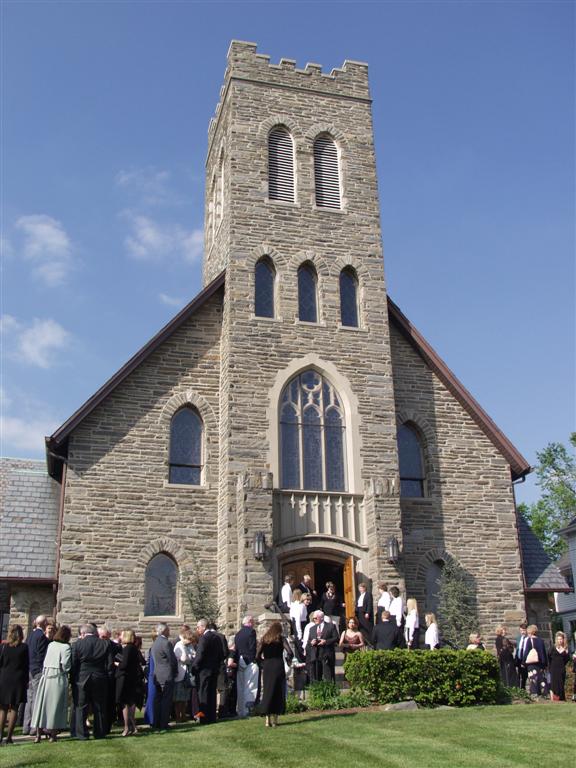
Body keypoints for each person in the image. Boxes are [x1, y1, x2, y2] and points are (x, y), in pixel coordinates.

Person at [30, 625, 72, 742]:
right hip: (57, 677)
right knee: (55, 706)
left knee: (41, 706)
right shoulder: (66, 647)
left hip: (46, 677)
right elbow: (65, 665)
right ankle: (53, 735)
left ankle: (38, 735)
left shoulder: (51, 645)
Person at [72, 622, 112, 739]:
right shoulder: (105, 644)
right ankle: (99, 732)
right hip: (99, 677)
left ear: (83, 633)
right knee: (99, 705)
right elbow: (109, 664)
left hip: (82, 677)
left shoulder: (78, 644)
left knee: (81, 706)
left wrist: (74, 677)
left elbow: (74, 663)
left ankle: (82, 733)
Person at [0, 624, 29, 746]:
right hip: (18, 678)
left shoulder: (4, 647)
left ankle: (0, 735)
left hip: (4, 678)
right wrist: (26, 680)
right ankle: (9, 737)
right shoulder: (24, 647)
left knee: (3, 708)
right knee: (15, 708)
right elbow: (26, 665)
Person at [256, 621, 289, 727]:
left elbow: (257, 655)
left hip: (267, 666)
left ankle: (267, 719)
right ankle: (275, 720)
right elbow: (290, 652)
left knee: (268, 690)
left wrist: (262, 664)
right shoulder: (281, 639)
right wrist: (288, 660)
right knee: (278, 691)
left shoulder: (264, 639)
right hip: (278, 665)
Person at [192, 618, 225, 724]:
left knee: (203, 694)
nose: (197, 629)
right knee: (212, 693)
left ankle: (204, 717)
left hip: (204, 670)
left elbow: (200, 654)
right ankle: (212, 716)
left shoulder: (204, 638)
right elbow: (222, 654)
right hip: (214, 669)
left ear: (203, 626)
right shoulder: (217, 638)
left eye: (198, 627)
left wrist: (194, 667)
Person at [22, 614, 48, 736]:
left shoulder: (30, 635)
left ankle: (26, 726)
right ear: (43, 624)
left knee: (30, 698)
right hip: (37, 669)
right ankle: (34, 727)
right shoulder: (41, 636)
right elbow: (41, 655)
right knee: (37, 699)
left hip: (29, 669)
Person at [116, 629, 144, 735]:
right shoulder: (134, 648)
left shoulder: (128, 648)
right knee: (131, 703)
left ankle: (127, 727)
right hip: (133, 678)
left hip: (126, 679)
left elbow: (124, 665)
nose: (121, 637)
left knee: (125, 703)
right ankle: (133, 726)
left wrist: (117, 664)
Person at [150, 623, 178, 731]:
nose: (169, 632)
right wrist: (175, 671)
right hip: (166, 674)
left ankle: (156, 722)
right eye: (168, 630)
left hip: (157, 674)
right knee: (166, 700)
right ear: (164, 631)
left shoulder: (155, 643)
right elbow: (172, 660)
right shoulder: (166, 643)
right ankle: (164, 723)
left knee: (158, 700)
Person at [233, 616, 258, 718]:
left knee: (241, 686)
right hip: (249, 661)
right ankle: (248, 710)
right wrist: (254, 660)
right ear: (250, 622)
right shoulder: (251, 632)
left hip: (240, 660)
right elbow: (252, 647)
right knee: (250, 686)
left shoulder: (238, 634)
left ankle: (241, 710)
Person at [305, 610, 339, 683]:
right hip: (316, 655)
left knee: (328, 676)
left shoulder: (330, 626)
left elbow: (336, 638)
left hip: (327, 654)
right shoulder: (312, 628)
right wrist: (311, 642)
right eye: (313, 618)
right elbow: (309, 640)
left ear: (321, 618)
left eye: (315, 618)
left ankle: (330, 691)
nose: (314, 620)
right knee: (317, 676)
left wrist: (326, 641)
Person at [173, 629, 195, 723]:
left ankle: (183, 715)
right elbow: (183, 659)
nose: (190, 642)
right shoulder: (179, 645)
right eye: (189, 640)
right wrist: (189, 658)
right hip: (180, 674)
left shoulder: (189, 645)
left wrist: (189, 657)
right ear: (185, 638)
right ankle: (178, 716)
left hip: (187, 675)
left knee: (185, 698)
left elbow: (195, 655)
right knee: (178, 698)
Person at [521, 624, 548, 698]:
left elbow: (526, 652)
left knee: (533, 678)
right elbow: (543, 652)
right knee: (541, 678)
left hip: (531, 663)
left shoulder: (530, 640)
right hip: (540, 663)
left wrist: (523, 662)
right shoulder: (540, 640)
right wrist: (545, 664)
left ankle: (534, 693)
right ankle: (543, 692)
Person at [549, 631, 570, 701]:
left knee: (561, 684)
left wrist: (566, 653)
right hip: (554, 669)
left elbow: (567, 660)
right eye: (558, 639)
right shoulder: (553, 648)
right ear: (556, 640)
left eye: (561, 639)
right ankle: (555, 698)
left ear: (563, 639)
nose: (560, 641)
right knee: (554, 684)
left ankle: (562, 698)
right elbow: (548, 657)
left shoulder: (565, 649)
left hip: (561, 669)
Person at [514, 622, 529, 690]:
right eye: (521, 631)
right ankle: (518, 688)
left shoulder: (528, 638)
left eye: (524, 630)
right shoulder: (519, 638)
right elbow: (518, 648)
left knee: (524, 675)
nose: (522, 632)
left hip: (525, 659)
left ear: (526, 630)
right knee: (518, 675)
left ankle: (523, 688)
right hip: (519, 658)